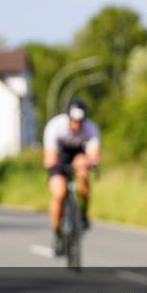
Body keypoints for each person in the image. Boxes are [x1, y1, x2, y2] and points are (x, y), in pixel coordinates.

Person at [43, 98, 100, 255]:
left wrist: (90, 162)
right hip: (59, 156)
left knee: (83, 173)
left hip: (78, 155)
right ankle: (57, 231)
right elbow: (49, 156)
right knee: (59, 193)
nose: (76, 125)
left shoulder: (90, 128)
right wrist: (52, 163)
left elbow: (93, 154)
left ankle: (82, 213)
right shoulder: (55, 126)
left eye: (80, 122)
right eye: (73, 121)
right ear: (68, 117)